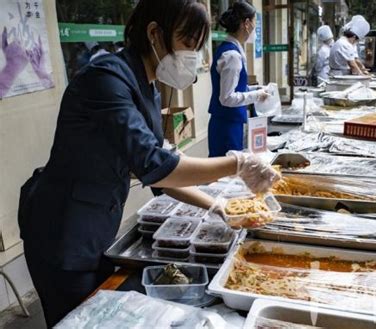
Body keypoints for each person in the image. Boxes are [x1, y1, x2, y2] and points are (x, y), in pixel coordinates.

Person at [17, 0, 279, 327]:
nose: (193, 56)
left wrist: (219, 206)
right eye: (187, 43)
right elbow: (154, 163)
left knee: (97, 312)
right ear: (155, 33)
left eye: (198, 47)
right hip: (62, 230)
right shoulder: (106, 79)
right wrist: (236, 164)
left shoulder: (148, 86)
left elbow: (160, 176)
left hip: (96, 225)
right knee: (75, 320)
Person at [208, 1, 269, 157]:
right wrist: (256, 96)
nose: (255, 28)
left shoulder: (231, 49)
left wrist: (258, 89)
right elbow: (227, 98)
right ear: (246, 23)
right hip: (226, 127)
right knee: (226, 173)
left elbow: (236, 89)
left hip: (228, 123)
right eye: (255, 22)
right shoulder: (232, 56)